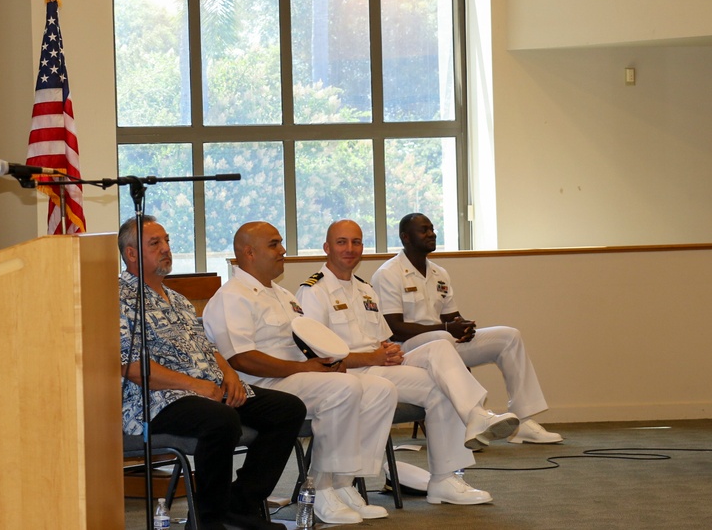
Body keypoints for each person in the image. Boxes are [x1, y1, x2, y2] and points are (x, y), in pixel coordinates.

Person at [296, 219, 521, 505]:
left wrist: (389, 351)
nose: (350, 249)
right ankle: (475, 416)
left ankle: (445, 476)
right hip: (349, 375)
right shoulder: (313, 291)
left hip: (379, 367)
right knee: (440, 381)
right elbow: (321, 358)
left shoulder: (365, 290)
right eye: (342, 242)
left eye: (356, 242)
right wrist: (374, 356)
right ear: (327, 247)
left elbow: (381, 338)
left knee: (440, 358)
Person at [118, 215, 306, 530]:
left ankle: (239, 504)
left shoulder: (177, 299)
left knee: (286, 409)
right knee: (221, 420)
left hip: (206, 388)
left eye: (167, 241)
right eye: (155, 244)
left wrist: (229, 375)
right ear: (131, 254)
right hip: (156, 399)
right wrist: (196, 385)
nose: (166, 249)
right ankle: (208, 520)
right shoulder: (119, 298)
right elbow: (133, 367)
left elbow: (207, 348)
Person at [203, 221, 396, 526]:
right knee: (342, 388)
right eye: (274, 244)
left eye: (280, 243)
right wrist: (305, 367)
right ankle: (319, 489)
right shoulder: (233, 295)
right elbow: (241, 358)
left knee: (380, 389)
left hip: (298, 376)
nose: (282, 251)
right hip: (262, 386)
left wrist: (325, 360)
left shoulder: (282, 294)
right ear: (249, 253)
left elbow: (304, 341)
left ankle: (343, 483)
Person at [372, 213, 562, 445]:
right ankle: (472, 420)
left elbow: (451, 316)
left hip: (445, 345)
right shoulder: (388, 274)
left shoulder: (439, 273)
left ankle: (522, 421)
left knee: (508, 336)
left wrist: (464, 327)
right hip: (408, 351)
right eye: (424, 230)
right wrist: (447, 328)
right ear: (405, 237)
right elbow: (393, 328)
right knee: (442, 336)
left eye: (432, 228)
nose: (431, 233)